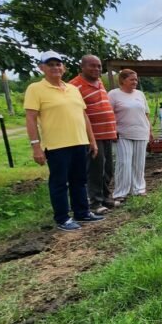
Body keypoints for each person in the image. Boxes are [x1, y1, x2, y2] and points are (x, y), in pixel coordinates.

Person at [24, 51, 105, 231]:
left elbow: (83, 115)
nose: (55, 68)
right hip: (56, 145)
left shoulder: (72, 89)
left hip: (79, 142)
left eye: (58, 64)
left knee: (80, 180)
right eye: (50, 64)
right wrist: (35, 146)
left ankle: (82, 212)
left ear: (64, 67)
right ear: (41, 67)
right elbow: (30, 118)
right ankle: (62, 218)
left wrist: (91, 140)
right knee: (60, 182)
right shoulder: (35, 89)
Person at [69, 55, 117, 213]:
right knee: (95, 169)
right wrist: (89, 138)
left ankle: (106, 197)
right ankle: (95, 202)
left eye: (99, 66)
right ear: (82, 67)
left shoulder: (100, 82)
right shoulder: (74, 86)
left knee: (108, 168)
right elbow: (77, 112)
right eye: (92, 66)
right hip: (93, 135)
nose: (96, 69)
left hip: (107, 132)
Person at [109, 69, 152, 201]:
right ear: (122, 80)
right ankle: (120, 193)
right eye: (131, 79)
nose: (135, 82)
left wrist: (150, 130)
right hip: (122, 133)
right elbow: (109, 114)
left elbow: (146, 113)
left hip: (141, 131)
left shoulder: (140, 94)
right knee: (124, 163)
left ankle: (138, 189)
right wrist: (112, 130)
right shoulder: (114, 94)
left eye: (136, 79)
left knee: (139, 163)